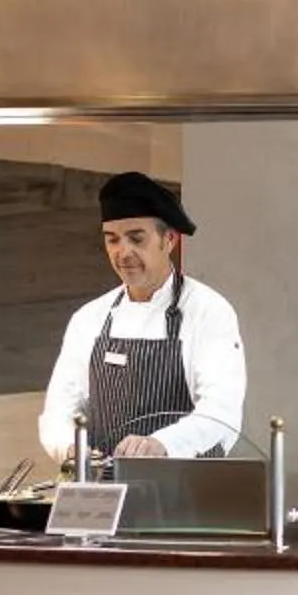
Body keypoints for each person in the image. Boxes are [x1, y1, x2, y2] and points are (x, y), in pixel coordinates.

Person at [36, 171, 247, 465]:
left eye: (136, 238)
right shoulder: (89, 318)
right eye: (112, 240)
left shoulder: (208, 311)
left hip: (188, 493)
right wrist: (71, 448)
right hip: (105, 495)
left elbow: (221, 412)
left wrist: (161, 443)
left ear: (169, 240)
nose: (123, 252)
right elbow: (58, 411)